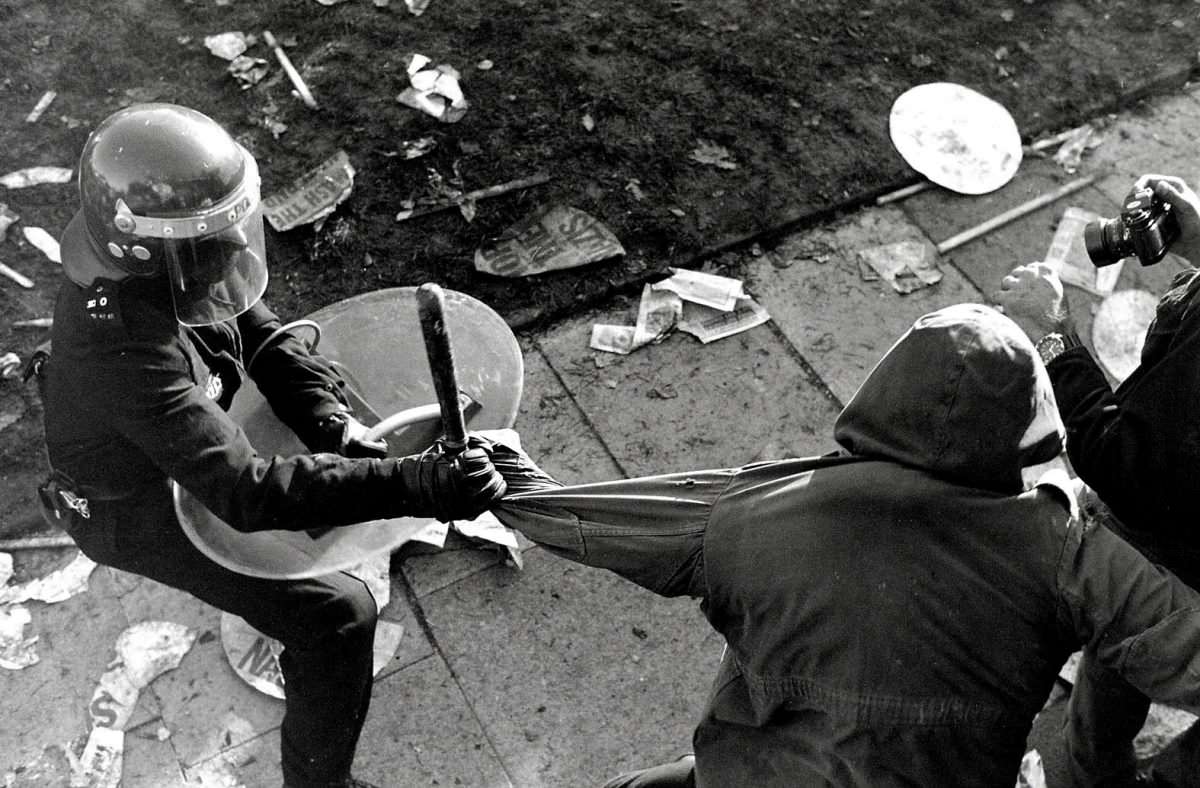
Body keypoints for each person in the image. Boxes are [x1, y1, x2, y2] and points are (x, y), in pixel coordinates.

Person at [483, 303, 1200, 788]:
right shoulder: (1071, 552)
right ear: (1027, 431)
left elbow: (579, 521)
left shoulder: (754, 512)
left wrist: (504, 476)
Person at [35, 103, 507, 788]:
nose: (234, 253)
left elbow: (260, 333)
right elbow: (245, 492)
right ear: (146, 251)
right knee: (339, 614)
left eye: (233, 229)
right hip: (133, 506)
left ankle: (293, 559)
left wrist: (332, 424)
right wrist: (420, 484)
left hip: (190, 429)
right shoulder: (117, 344)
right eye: (213, 242)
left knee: (331, 459)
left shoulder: (177, 258)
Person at [995, 173, 1200, 787]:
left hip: (1186, 566)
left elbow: (1121, 460)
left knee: (1122, 602)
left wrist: (1053, 334)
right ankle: (1090, 766)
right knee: (1119, 635)